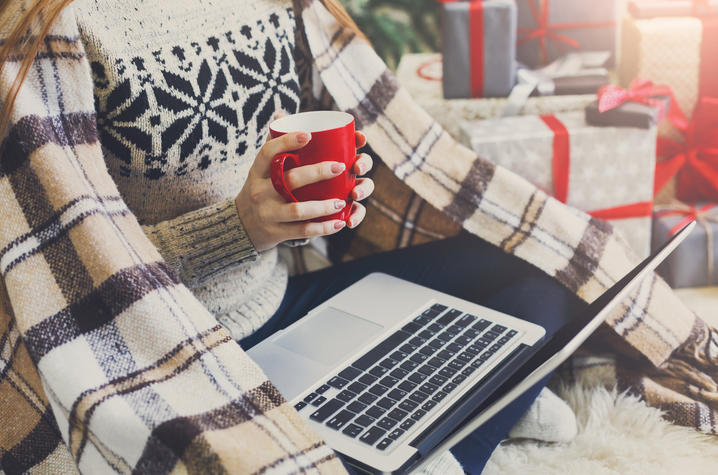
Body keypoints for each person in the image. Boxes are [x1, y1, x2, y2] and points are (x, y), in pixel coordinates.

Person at [5, 0, 711, 474]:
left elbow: (365, 124)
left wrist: (358, 182)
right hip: (167, 347)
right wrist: (237, 227)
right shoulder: (54, 28)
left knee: (546, 271)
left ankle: (432, 425)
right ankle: (458, 423)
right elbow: (58, 276)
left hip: (291, 294)